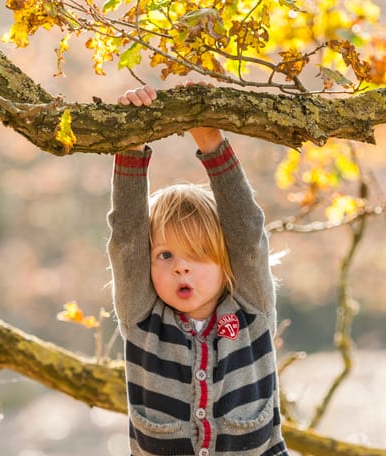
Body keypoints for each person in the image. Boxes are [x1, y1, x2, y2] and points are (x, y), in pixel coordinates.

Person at [108, 84, 289, 456]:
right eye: (165, 256)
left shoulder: (249, 310)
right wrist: (131, 142)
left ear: (226, 262)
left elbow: (247, 233)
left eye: (198, 255)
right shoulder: (143, 319)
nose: (181, 269)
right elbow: (126, 237)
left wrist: (211, 142)